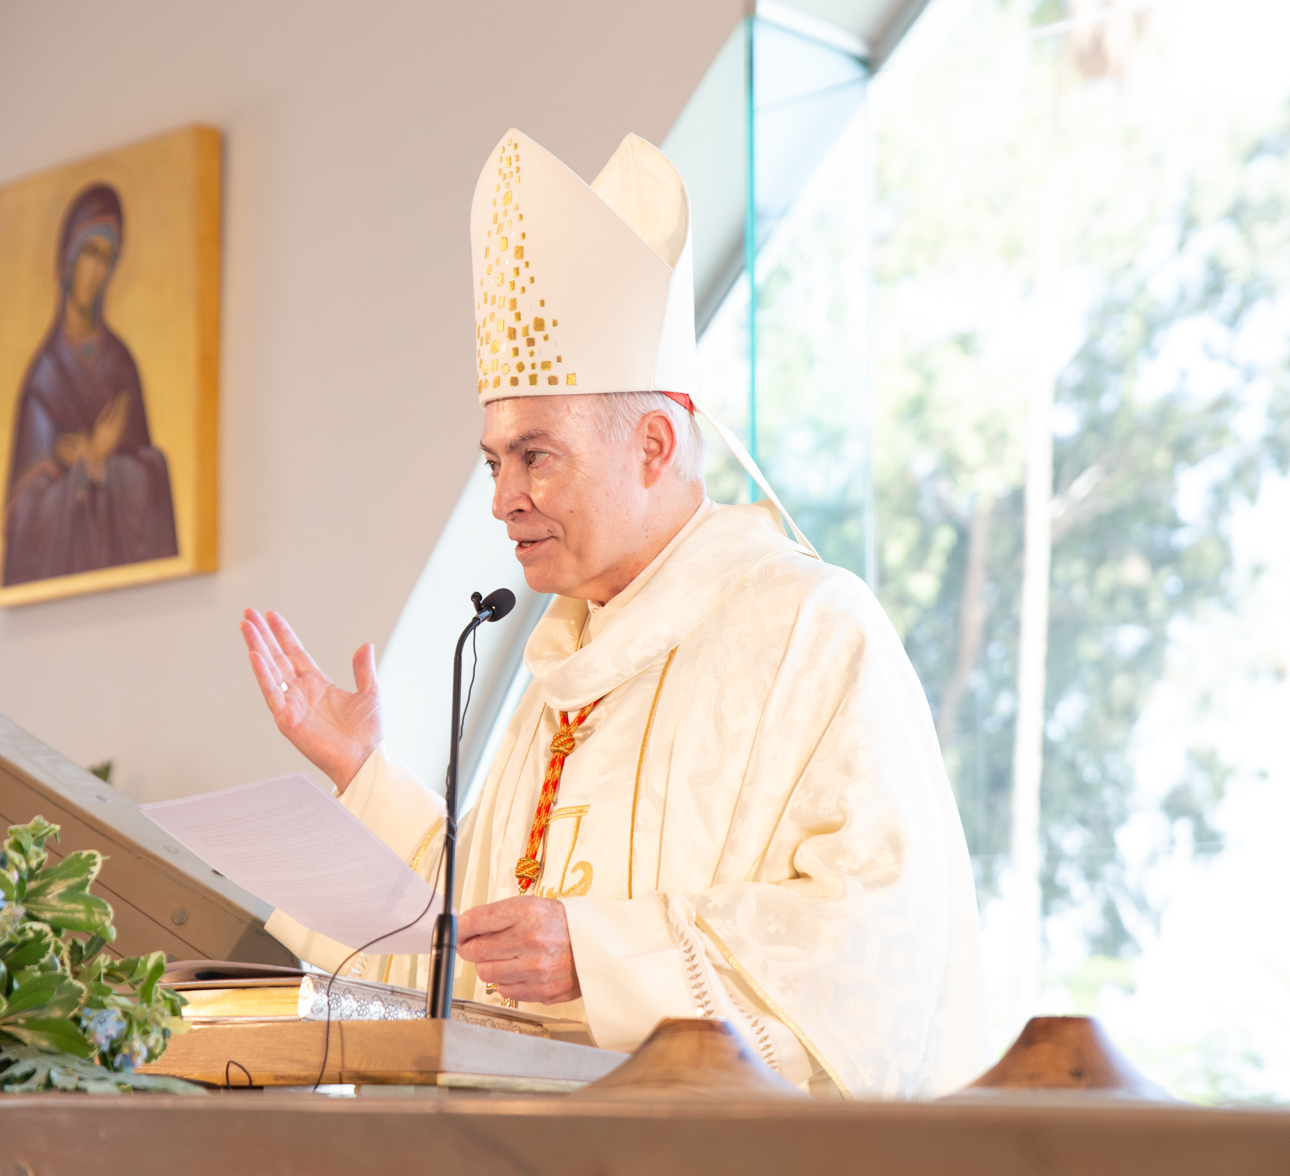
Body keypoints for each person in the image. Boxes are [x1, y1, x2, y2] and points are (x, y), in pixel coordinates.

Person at [241, 130, 984, 1097]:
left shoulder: (810, 632)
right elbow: (466, 942)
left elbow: (876, 947)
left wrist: (601, 956)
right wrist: (363, 777)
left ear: (654, 443)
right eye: (493, 462)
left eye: (536, 455)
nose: (503, 497)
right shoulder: (565, 670)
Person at [3, 182, 179, 586]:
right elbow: (22, 516)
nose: (96, 271)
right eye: (89, 254)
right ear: (67, 258)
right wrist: (80, 471)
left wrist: (101, 464)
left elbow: (154, 476)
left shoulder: (121, 366)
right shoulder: (43, 379)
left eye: (107, 258)